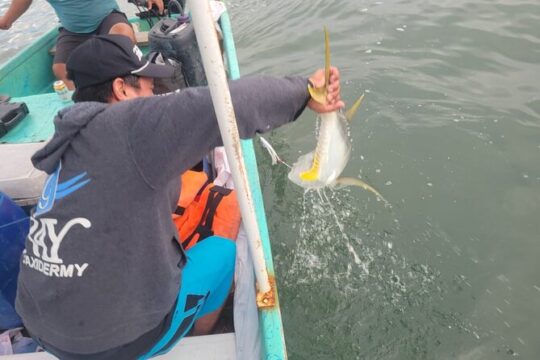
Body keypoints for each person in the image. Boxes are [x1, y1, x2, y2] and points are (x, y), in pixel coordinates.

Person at [15, 34, 344, 359]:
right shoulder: (130, 127)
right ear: (121, 89)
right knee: (222, 253)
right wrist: (304, 91)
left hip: (39, 321)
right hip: (111, 346)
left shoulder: (67, 140)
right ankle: (198, 330)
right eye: (147, 87)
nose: (154, 94)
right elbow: (230, 103)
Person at [0, 0, 164, 90]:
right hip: (74, 30)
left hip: (107, 18)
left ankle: (131, 86)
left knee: (123, 35)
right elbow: (14, 11)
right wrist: (6, 21)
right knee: (60, 68)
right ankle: (86, 102)